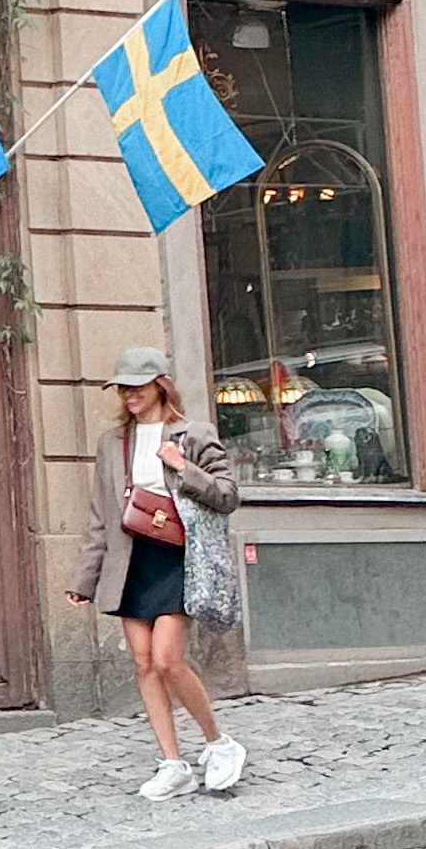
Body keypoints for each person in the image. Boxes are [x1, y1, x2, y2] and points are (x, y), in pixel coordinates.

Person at [69, 342, 247, 801]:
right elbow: (101, 514)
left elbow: (227, 495)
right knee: (145, 664)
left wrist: (183, 467)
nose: (128, 396)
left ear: (159, 385)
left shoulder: (193, 432)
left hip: (177, 558)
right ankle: (173, 764)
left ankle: (218, 743)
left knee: (168, 660)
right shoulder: (112, 443)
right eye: (122, 388)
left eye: (136, 387)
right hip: (131, 559)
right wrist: (85, 579)